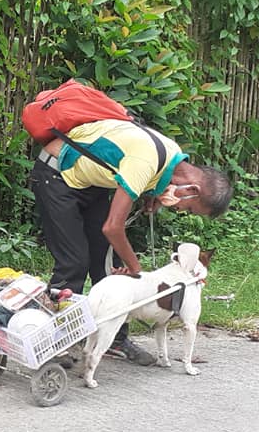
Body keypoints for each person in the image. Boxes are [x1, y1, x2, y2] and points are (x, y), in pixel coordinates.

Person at [30, 118, 233, 364]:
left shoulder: (173, 156)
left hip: (90, 182)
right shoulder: (146, 161)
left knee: (107, 259)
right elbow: (113, 227)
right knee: (74, 260)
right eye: (189, 208)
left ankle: (114, 338)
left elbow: (133, 169)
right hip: (56, 176)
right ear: (192, 190)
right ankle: (54, 341)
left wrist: (153, 193)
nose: (180, 210)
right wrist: (137, 270)